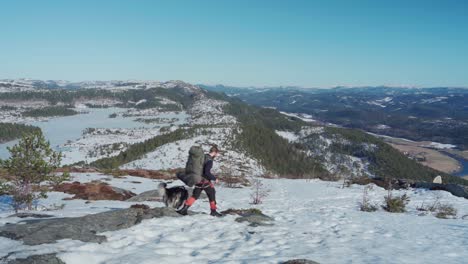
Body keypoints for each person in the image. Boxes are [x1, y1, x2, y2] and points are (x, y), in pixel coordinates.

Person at [178, 145, 222, 217]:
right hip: (204, 181)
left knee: (195, 195)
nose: (217, 155)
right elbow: (207, 172)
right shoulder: (209, 160)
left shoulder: (202, 157)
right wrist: (214, 178)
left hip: (197, 179)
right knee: (212, 194)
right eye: (217, 153)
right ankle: (213, 211)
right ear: (214, 152)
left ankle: (184, 209)